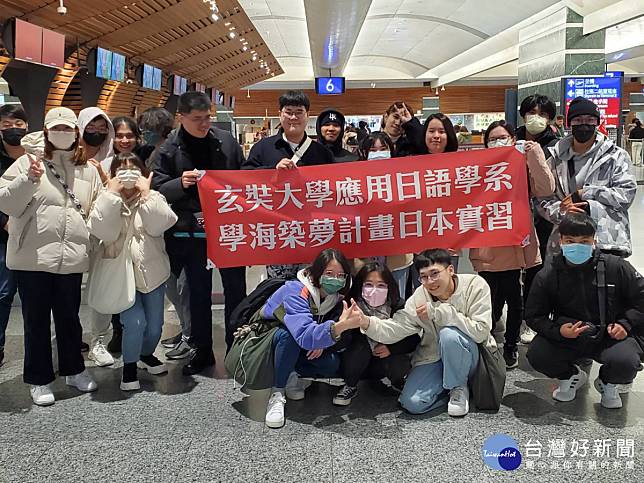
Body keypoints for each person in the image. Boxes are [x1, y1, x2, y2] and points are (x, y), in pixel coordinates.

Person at [0, 107, 102, 405]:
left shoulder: (87, 170)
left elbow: (95, 208)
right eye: (56, 128)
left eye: (67, 129)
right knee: (36, 321)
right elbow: (6, 203)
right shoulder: (26, 163)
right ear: (46, 131)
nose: (62, 134)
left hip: (71, 257)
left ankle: (74, 369)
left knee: (70, 318)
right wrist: (27, 180)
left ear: (75, 133)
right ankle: (38, 378)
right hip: (32, 257)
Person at [152, 91, 247, 374]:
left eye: (208, 118)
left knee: (236, 290)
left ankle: (236, 347)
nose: (205, 124)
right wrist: (180, 183)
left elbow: (245, 179)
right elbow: (157, 188)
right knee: (197, 293)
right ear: (181, 117)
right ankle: (202, 350)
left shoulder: (226, 142)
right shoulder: (168, 148)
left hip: (228, 229)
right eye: (197, 119)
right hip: (189, 233)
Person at [348, 249, 495, 417]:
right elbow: (396, 328)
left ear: (450, 270)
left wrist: (444, 313)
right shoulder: (420, 296)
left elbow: (481, 332)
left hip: (470, 354)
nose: (430, 281)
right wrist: (366, 322)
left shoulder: (475, 285)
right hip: (434, 356)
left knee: (449, 334)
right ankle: (447, 391)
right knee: (412, 403)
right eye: (424, 277)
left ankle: (458, 387)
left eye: (435, 274)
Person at [525, 212, 644, 409]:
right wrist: (558, 330)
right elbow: (533, 315)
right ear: (561, 241)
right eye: (570, 240)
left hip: (610, 335)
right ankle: (571, 376)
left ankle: (608, 383)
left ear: (594, 241)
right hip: (568, 336)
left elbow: (641, 296)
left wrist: (626, 323)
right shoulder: (548, 274)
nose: (577, 246)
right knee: (538, 355)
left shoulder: (616, 266)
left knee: (626, 362)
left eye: (584, 241)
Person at [469, 120, 554, 368]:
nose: (498, 142)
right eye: (493, 138)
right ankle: (486, 339)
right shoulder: (476, 169)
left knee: (515, 301)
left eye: (503, 137)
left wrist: (535, 153)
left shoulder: (520, 164)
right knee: (488, 301)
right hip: (487, 246)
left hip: (515, 244)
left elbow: (546, 188)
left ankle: (510, 346)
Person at [88, 152, 177, 391]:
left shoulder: (153, 196)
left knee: (155, 325)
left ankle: (145, 354)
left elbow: (161, 225)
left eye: (133, 169)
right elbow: (102, 232)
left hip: (153, 273)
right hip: (120, 275)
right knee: (134, 322)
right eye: (122, 169)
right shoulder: (105, 199)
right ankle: (129, 367)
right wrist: (111, 195)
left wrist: (147, 194)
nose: (128, 174)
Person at [243, 90, 333, 279]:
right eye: (288, 111)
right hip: (277, 233)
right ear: (279, 115)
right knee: (278, 288)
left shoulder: (321, 152)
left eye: (299, 112)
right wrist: (271, 172)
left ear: (308, 116)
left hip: (312, 233)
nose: (293, 117)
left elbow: (333, 189)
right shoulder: (263, 148)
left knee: (311, 285)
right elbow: (245, 180)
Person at [263, 248, 357, 428]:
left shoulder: (335, 298)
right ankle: (277, 392)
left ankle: (293, 373)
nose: (334, 279)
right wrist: (337, 328)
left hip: (303, 344)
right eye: (329, 273)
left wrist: (323, 342)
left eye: (340, 275)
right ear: (317, 272)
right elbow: (304, 334)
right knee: (287, 335)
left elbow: (340, 337)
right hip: (272, 343)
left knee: (330, 363)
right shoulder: (296, 290)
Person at [538, 96, 637, 259]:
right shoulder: (556, 158)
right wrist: (562, 211)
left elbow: (626, 195)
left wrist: (586, 193)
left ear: (597, 122)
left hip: (606, 240)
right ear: (570, 124)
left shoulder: (615, 156)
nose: (584, 124)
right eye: (577, 119)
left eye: (590, 119)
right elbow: (542, 199)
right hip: (566, 241)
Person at [138, 107, 191, 360]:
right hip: (160, 229)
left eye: (147, 131)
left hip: (175, 227)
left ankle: (190, 334)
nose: (143, 135)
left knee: (182, 287)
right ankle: (185, 330)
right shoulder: (154, 152)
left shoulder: (171, 152)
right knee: (173, 285)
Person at [334, 262, 420, 406]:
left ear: (389, 286)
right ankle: (350, 385)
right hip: (355, 362)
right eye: (368, 284)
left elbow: (413, 338)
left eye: (381, 285)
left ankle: (399, 382)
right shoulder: (349, 306)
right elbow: (339, 343)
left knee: (399, 360)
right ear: (360, 285)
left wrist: (391, 348)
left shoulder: (398, 305)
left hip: (383, 362)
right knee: (359, 347)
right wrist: (344, 326)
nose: (374, 290)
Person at [355, 132, 413, 299]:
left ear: (391, 150)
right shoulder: (353, 180)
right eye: (373, 149)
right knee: (367, 301)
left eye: (383, 148)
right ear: (364, 153)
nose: (378, 153)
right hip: (365, 256)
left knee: (397, 300)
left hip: (397, 257)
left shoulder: (405, 178)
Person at [0, 105, 27, 366]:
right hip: (3, 236)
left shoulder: (38, 157)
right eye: (6, 125)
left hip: (33, 236)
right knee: (3, 293)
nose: (12, 129)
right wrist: (6, 223)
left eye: (17, 123)